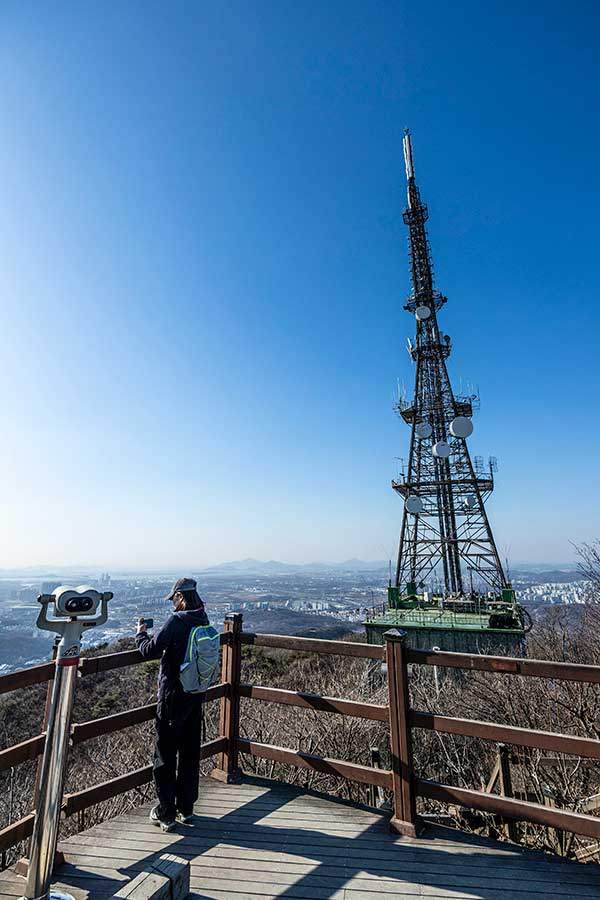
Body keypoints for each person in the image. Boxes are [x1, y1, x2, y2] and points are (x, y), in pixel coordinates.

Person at [135, 576, 209, 832]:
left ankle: (165, 813)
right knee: (189, 753)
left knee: (164, 756)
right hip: (195, 696)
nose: (173, 604)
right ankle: (186, 808)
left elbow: (149, 650)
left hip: (171, 700)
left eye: (174, 599)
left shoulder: (177, 620)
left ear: (180, 597)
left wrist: (140, 634)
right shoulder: (203, 618)